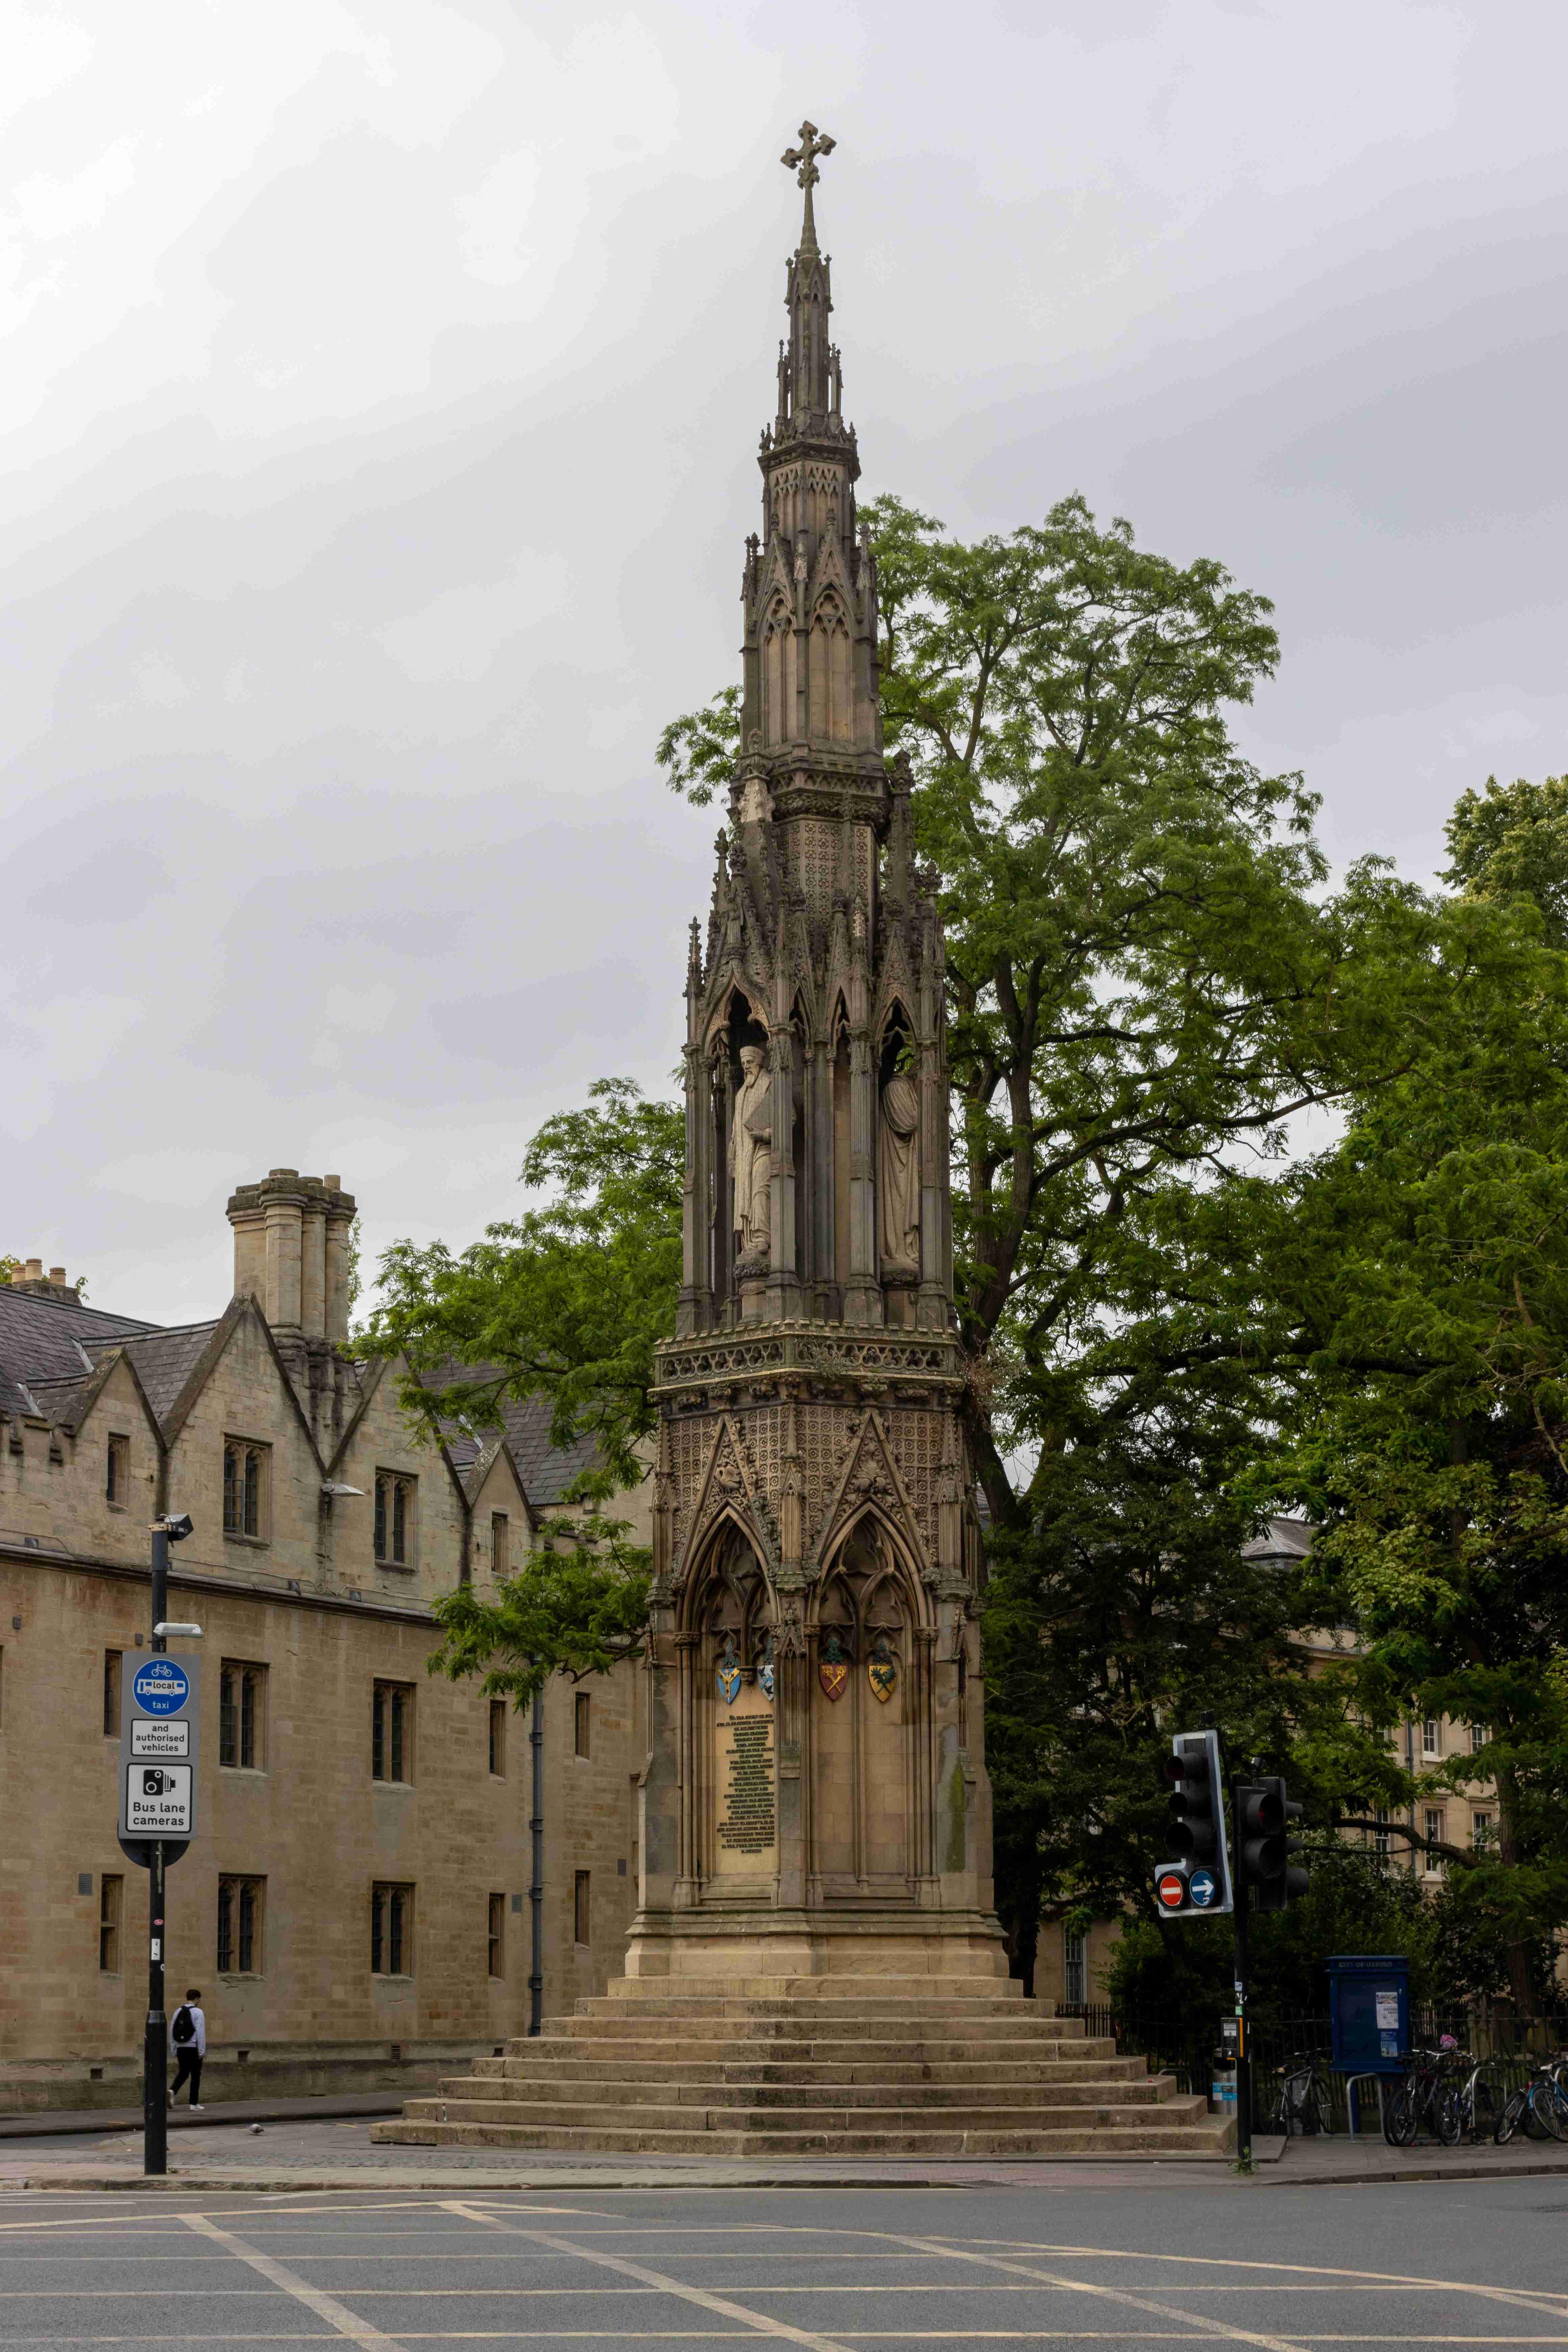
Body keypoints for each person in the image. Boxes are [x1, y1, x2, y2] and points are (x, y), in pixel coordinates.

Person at [169, 1987, 206, 2110]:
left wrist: (174, 2049)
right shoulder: (198, 2012)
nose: (199, 2002)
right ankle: (194, 2104)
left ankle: (172, 2091)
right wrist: (202, 2051)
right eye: (199, 2000)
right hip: (193, 2047)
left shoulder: (178, 2011)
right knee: (196, 2075)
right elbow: (200, 2032)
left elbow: (172, 2031)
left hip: (181, 2048)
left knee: (184, 2073)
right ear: (196, 1999)